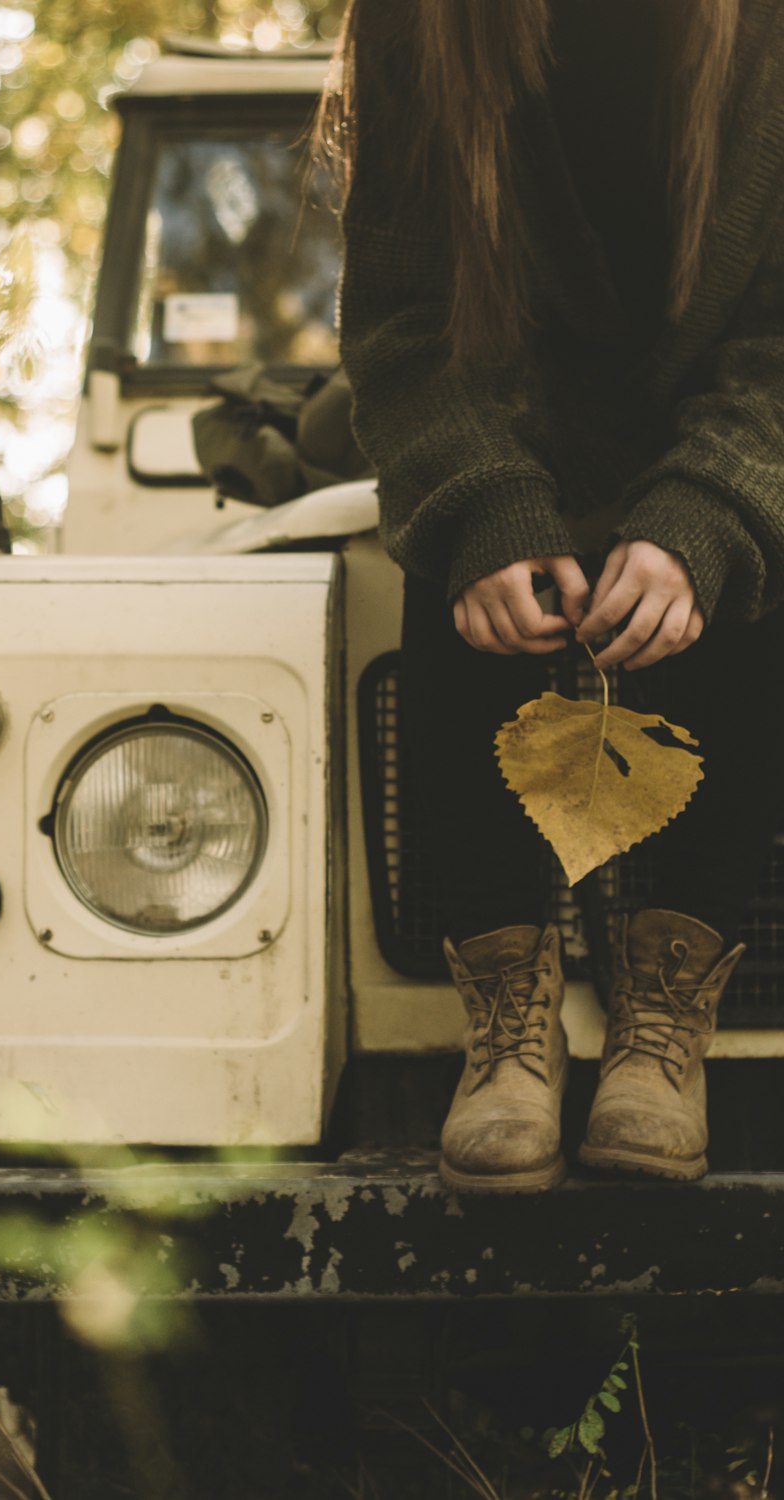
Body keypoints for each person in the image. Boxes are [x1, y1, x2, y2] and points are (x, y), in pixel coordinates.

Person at [322, 0, 784, 1191]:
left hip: (733, 422)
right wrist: (482, 509)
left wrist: (701, 516)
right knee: (447, 571)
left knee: (739, 576)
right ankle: (508, 1027)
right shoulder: (418, 20)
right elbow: (402, 315)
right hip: (501, 414)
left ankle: (662, 1018)